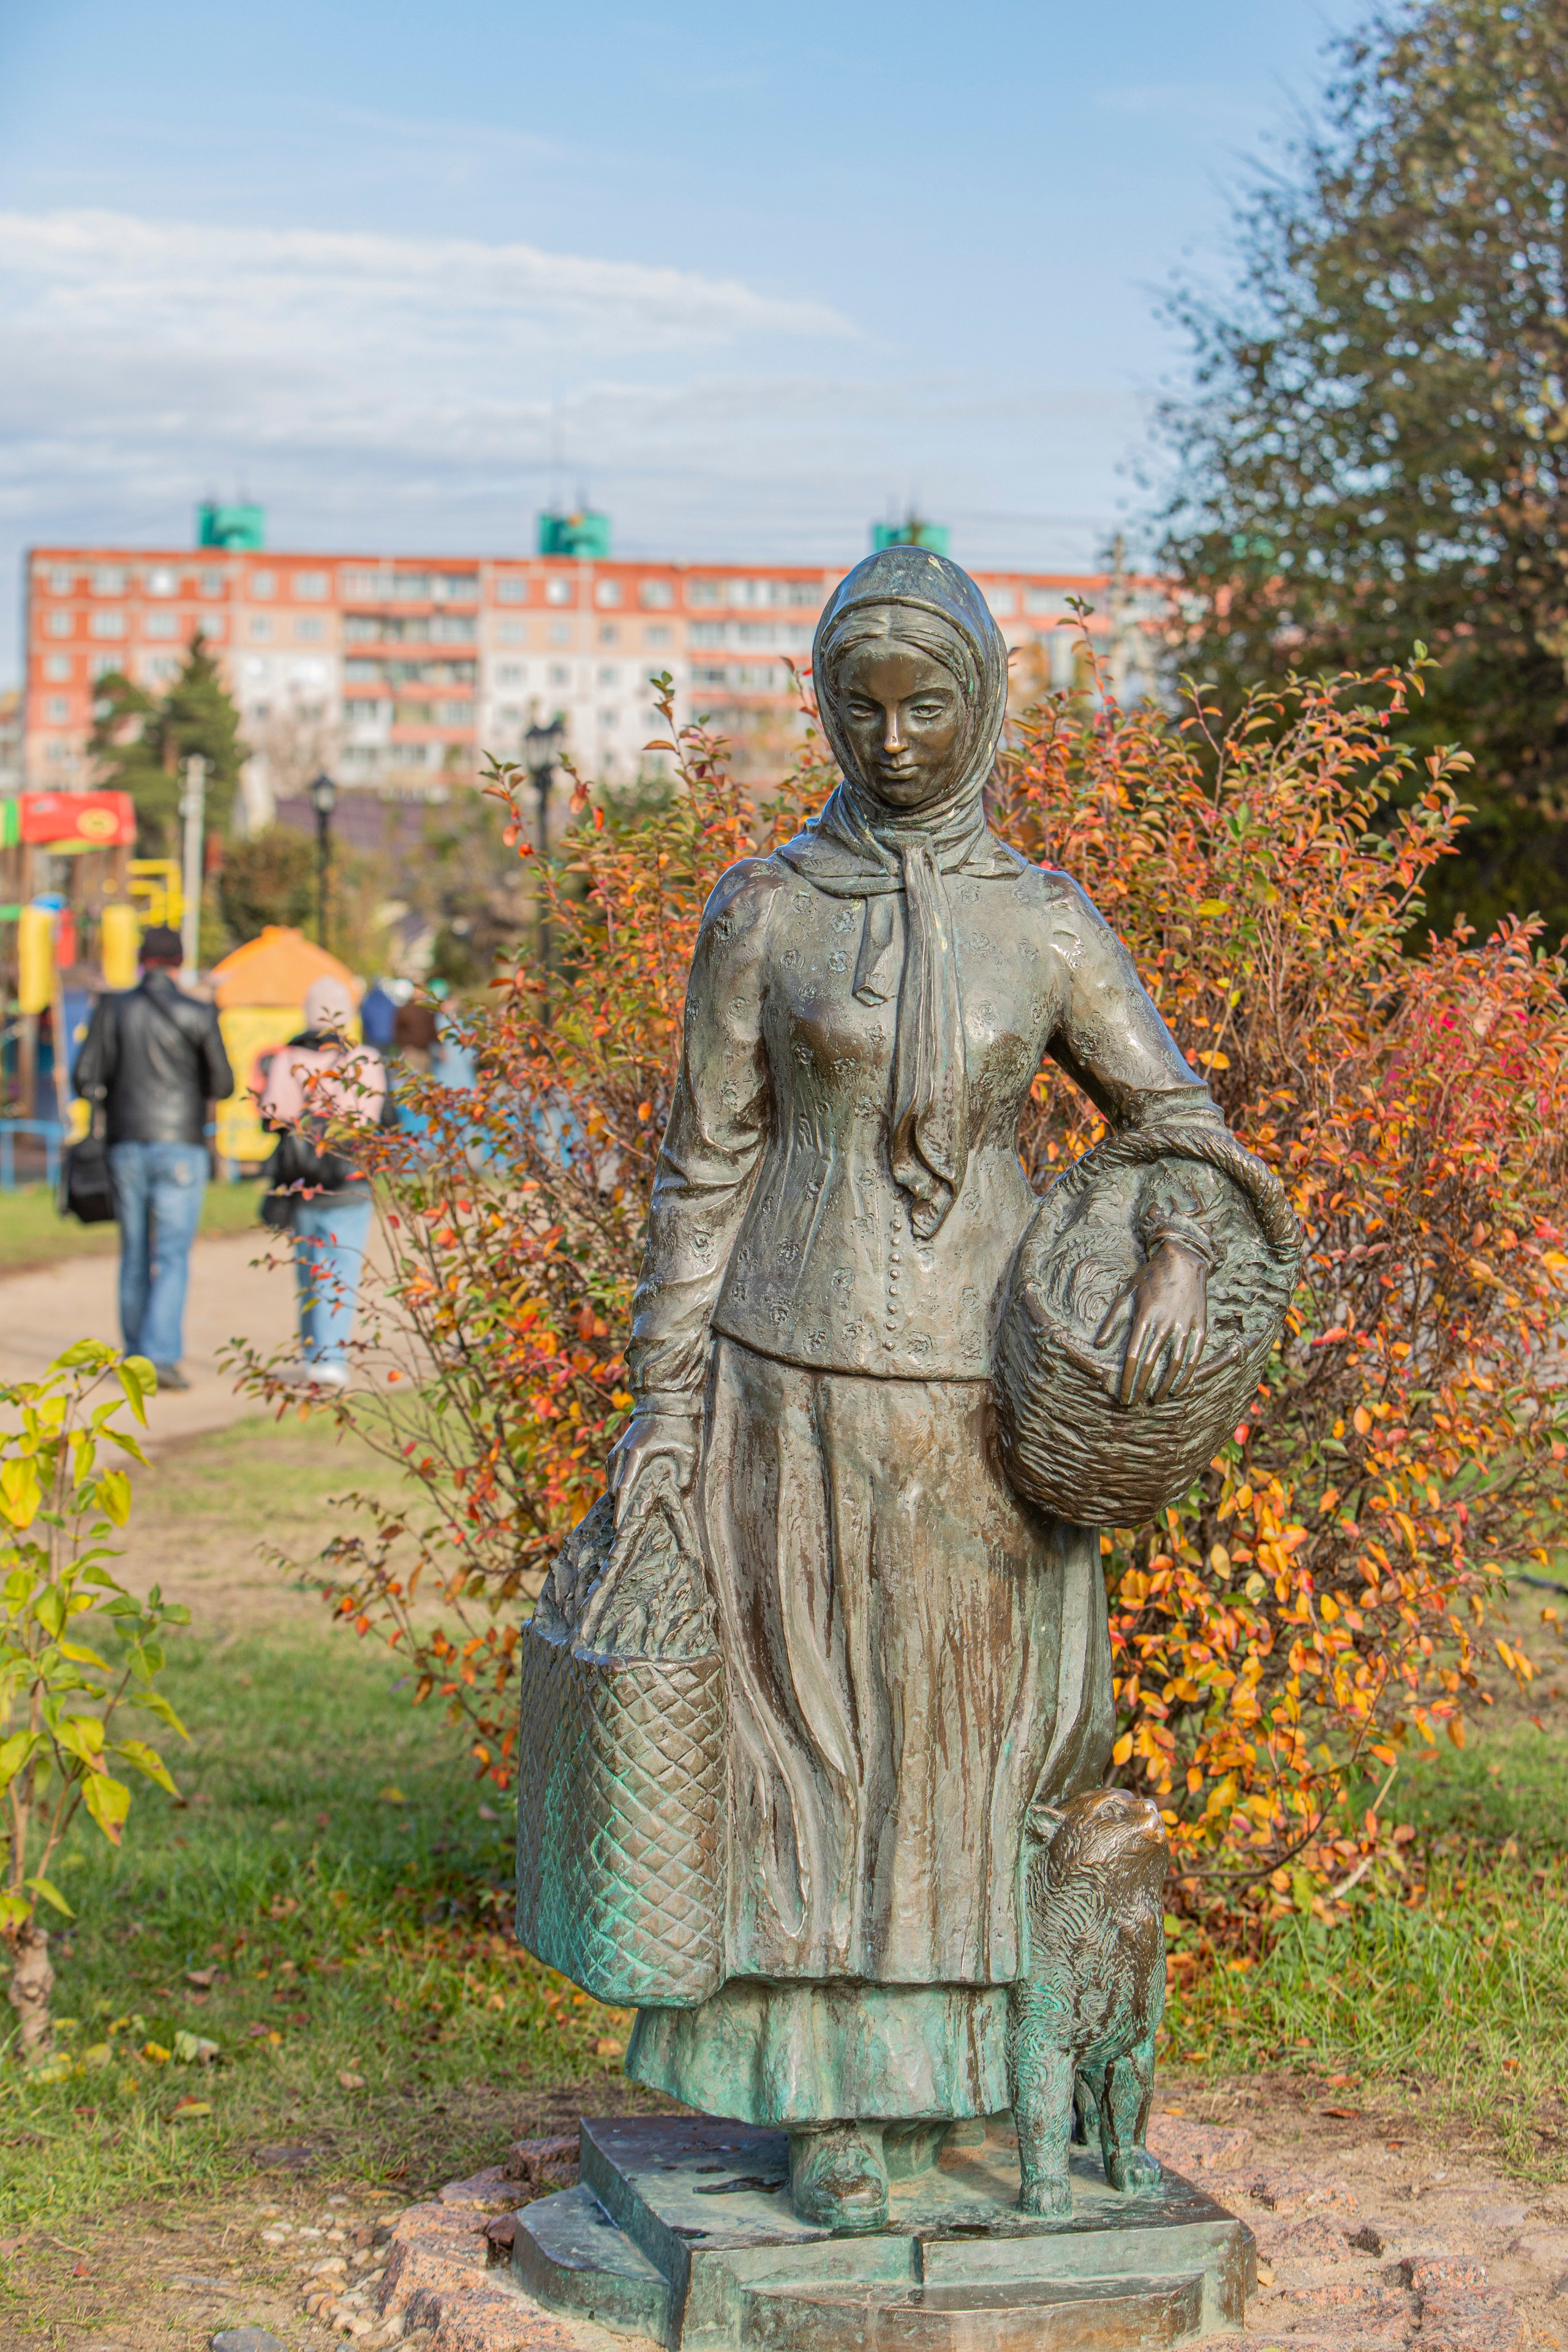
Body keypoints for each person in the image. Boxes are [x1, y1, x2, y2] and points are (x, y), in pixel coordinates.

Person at [605, 546, 1226, 2230]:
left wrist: (1172, 1252)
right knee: (809, 1752)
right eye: (859, 706)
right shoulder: (767, 908)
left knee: (969, 1754)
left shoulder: (1046, 925)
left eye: (925, 703)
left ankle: (963, 2084)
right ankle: (828, 2111)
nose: (890, 741)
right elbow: (701, 1166)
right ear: (822, 708)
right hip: (789, 1384)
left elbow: (1179, 1127)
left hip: (984, 1404)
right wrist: (660, 1401)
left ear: (985, 703)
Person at [70, 924, 235, 1390]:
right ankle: (160, 1356)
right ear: (180, 963)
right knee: (173, 1255)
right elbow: (222, 1085)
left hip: (126, 1143)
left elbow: (85, 1076)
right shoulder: (199, 1012)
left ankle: (137, 1355)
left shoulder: (113, 1008)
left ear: (142, 961)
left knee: (135, 1253)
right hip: (181, 1144)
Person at [258, 975, 390, 1389]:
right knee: (342, 1266)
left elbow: (272, 1118)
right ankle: (331, 1356)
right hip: (350, 1176)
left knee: (308, 1268)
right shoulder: (366, 1059)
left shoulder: (288, 1059)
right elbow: (379, 1121)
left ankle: (315, 1350)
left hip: (303, 1179)